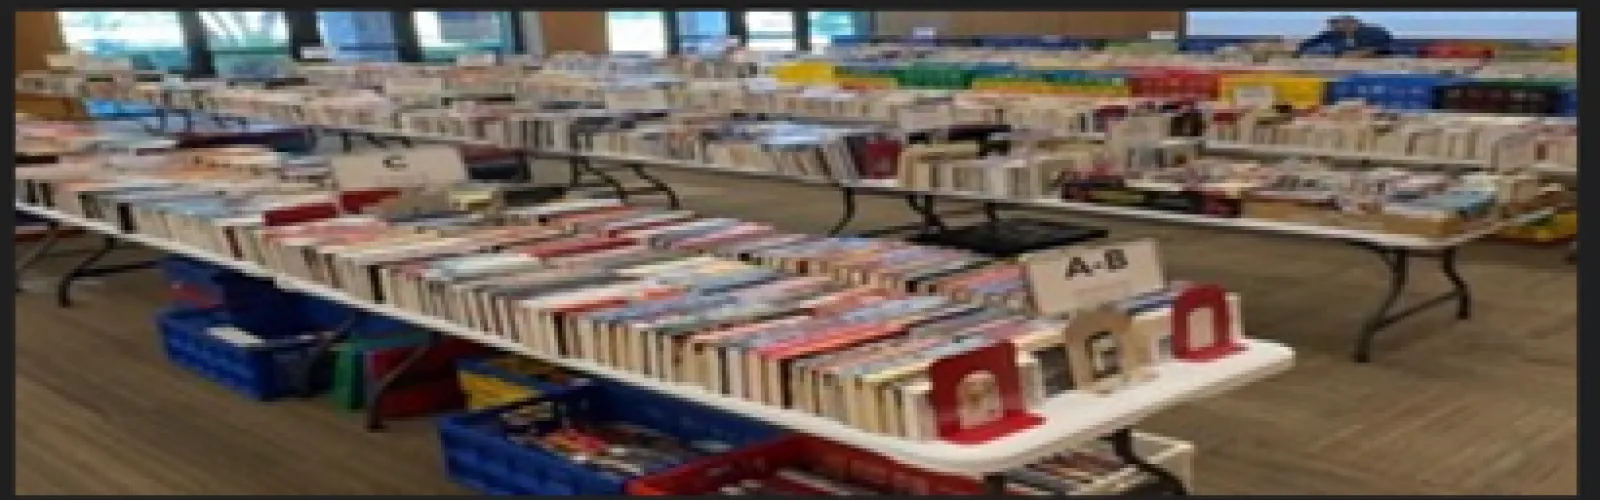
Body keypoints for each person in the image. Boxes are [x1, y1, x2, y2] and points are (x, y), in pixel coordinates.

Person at [1293, 15, 1394, 58]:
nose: (1336, 27)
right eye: (1333, 26)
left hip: (1373, 55)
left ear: (1355, 23)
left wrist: (1368, 51)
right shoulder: (1332, 34)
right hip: (1337, 55)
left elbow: (1387, 44)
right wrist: (1300, 51)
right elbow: (1309, 42)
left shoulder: (1373, 32)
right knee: (1321, 49)